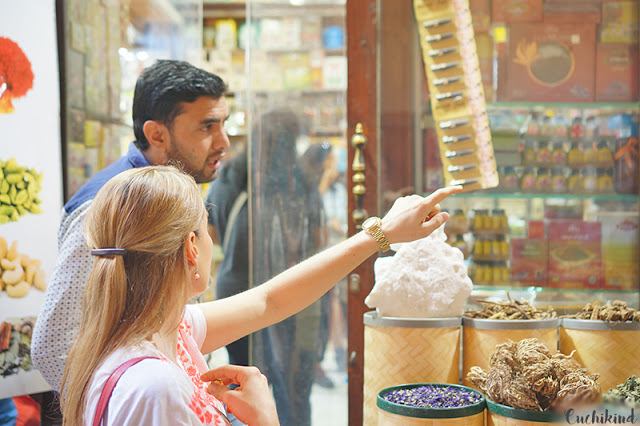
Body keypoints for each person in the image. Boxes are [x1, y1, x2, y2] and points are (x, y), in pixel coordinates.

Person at [60, 164, 461, 425]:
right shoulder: (154, 386)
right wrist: (265, 419)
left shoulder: (165, 330)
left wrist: (381, 235)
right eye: (206, 228)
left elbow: (268, 301)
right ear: (191, 248)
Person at [31, 60, 229, 411]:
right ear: (157, 135)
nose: (223, 141)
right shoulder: (113, 204)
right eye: (207, 127)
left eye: (223, 123)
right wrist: (135, 399)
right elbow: (54, 345)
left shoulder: (165, 194)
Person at [207, 109, 330, 425]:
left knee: (238, 384)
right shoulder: (298, 179)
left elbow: (211, 231)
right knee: (293, 389)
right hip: (291, 294)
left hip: (234, 290)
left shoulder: (230, 173)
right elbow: (320, 236)